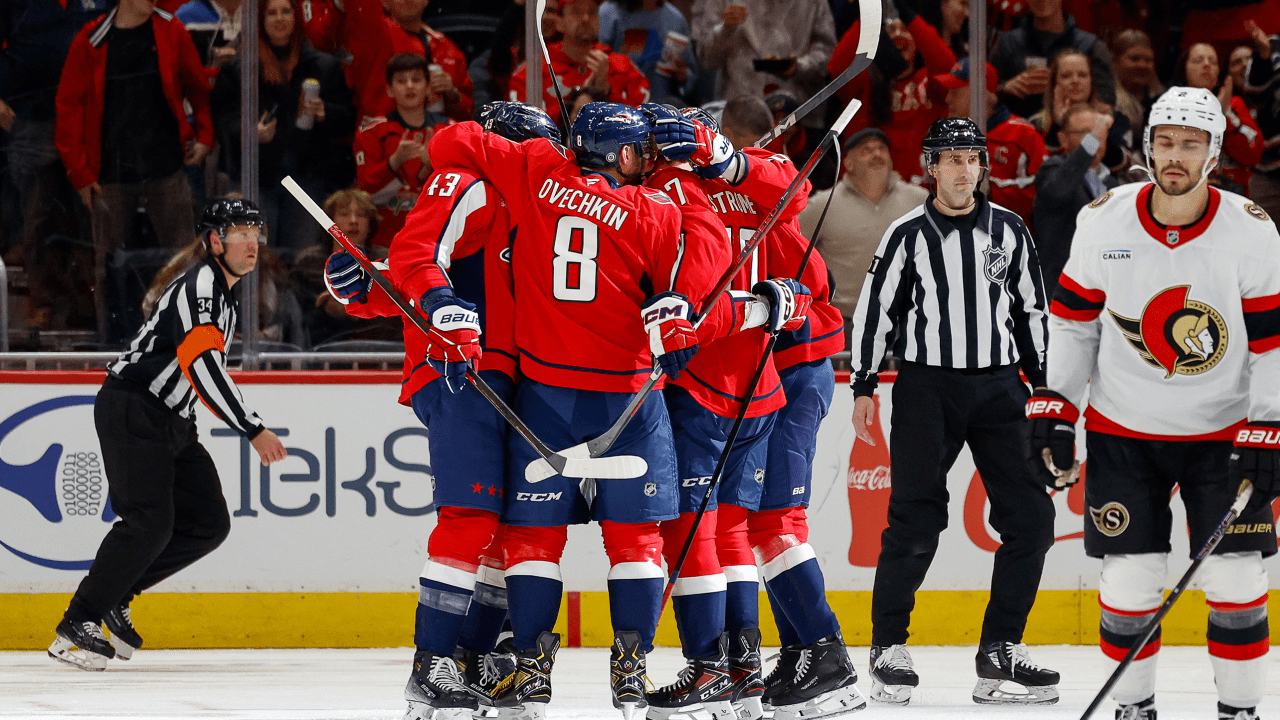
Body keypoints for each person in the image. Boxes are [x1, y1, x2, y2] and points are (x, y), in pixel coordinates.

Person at [424, 102, 802, 720]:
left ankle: (533, 671)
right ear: (626, 155)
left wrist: (507, 136)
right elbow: (698, 271)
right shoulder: (655, 208)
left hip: (545, 396)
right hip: (629, 395)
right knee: (637, 542)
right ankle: (630, 672)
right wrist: (688, 183)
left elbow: (450, 143)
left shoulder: (535, 170)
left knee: (533, 539)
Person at [1028, 86, 1279, 720]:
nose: (1176, 156)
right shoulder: (1104, 220)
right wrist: (1055, 407)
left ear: (1214, 153)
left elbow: (1273, 343)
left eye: (1191, 144)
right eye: (1165, 142)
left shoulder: (1251, 232)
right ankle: (1133, 711)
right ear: (1147, 146)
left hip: (1224, 434)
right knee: (1129, 583)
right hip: (1124, 433)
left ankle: (1240, 713)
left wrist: (1270, 424)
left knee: (1237, 581)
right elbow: (1073, 324)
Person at [325, 101, 558, 720]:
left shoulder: (531, 202)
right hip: (461, 370)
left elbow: (417, 272)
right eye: (539, 149)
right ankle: (433, 668)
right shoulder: (469, 179)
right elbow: (419, 255)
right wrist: (435, 304)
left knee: (509, 529)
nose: (549, 162)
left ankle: (473, 657)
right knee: (471, 519)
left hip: (514, 378)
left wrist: (369, 285)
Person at [848, 117, 1059, 706]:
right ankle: (888, 646)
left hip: (1000, 390)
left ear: (982, 166)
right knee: (914, 521)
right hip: (925, 390)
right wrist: (864, 384)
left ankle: (999, 653)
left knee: (1032, 521)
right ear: (932, 167)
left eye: (973, 157)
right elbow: (875, 311)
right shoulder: (905, 233)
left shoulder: (1012, 230)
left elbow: (1032, 316)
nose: (964, 169)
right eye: (952, 158)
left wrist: (1045, 393)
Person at [662, 106, 860, 720]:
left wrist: (731, 161)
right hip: (768, 369)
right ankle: (777, 657)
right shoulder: (709, 194)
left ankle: (825, 656)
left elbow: (796, 200)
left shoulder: (754, 188)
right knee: (745, 525)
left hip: (795, 369)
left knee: (775, 522)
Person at [47, 198, 287, 672]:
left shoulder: (223, 292)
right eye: (239, 232)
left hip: (172, 420)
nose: (251, 241)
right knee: (149, 522)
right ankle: (80, 619)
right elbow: (203, 366)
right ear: (215, 241)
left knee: (208, 523)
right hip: (134, 407)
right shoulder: (202, 287)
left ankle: (116, 596)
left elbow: (199, 370)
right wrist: (252, 427)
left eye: (255, 231)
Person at [55, 0, 214, 342]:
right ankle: (110, 343)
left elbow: (198, 88)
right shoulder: (91, 39)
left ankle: (189, 338)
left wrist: (204, 135)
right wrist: (79, 173)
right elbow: (68, 108)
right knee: (108, 267)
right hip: (108, 176)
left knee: (184, 260)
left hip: (167, 168)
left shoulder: (171, 30)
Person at [211, 0, 357, 253]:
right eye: (272, 13)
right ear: (260, 20)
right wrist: (249, 132)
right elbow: (222, 119)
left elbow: (347, 118)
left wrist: (325, 113)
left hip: (307, 179)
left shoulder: (324, 66)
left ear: (296, 18)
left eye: (286, 11)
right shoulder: (239, 69)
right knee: (253, 258)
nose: (280, 19)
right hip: (254, 178)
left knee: (301, 258)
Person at [0, 0, 108, 331]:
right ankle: (43, 302)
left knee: (88, 211)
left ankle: (87, 303)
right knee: (39, 213)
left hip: (88, 117)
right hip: (31, 113)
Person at [798, 128, 928, 323]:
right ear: (848, 163)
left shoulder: (920, 201)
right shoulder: (823, 204)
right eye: (865, 150)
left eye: (882, 148)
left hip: (908, 320)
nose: (876, 154)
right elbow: (789, 253)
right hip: (844, 321)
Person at [830, 2, 955, 187]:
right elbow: (837, 67)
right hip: (868, 190)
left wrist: (906, 11)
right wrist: (869, 19)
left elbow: (946, 64)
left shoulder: (932, 85)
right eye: (891, 30)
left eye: (905, 29)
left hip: (921, 192)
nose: (897, 35)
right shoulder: (864, 84)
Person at [354, 53, 454, 248]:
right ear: (389, 90)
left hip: (437, 240)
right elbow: (365, 193)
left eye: (416, 80)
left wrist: (432, 166)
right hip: (384, 242)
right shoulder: (372, 131)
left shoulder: (449, 130)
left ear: (428, 87)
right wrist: (395, 161)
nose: (409, 86)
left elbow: (460, 190)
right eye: (401, 81)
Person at [936, 57, 1046, 224]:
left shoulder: (1023, 135)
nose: (947, 99)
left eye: (955, 92)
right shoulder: (945, 138)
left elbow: (1043, 192)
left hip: (1006, 241)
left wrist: (990, 192)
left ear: (981, 94)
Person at [508, 0, 651, 125]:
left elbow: (646, 122)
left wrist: (606, 93)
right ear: (559, 22)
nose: (585, 18)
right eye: (576, 12)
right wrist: (573, 105)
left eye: (592, 12)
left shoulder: (623, 66)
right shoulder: (532, 72)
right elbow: (520, 126)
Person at [1032, 103, 1117, 300]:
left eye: (1099, 134)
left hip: (1102, 292)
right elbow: (1057, 193)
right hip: (1060, 291)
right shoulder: (1052, 171)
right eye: (1084, 133)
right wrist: (1093, 138)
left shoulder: (1114, 184)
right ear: (1063, 138)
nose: (1094, 140)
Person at [343, 0, 474, 122]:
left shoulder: (446, 48)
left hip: (435, 135)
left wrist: (452, 94)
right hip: (380, 136)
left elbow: (468, 112)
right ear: (384, 2)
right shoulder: (370, 33)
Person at [691, 0, 835, 108]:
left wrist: (801, 65)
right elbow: (706, 58)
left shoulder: (814, 3)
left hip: (796, 113)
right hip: (739, 112)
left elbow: (828, 51)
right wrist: (725, 29)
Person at [990, 0, 1115, 121]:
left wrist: (1077, 124)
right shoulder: (1007, 44)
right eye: (1066, 75)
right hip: (1016, 136)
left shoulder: (1091, 46)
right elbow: (980, 98)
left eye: (1081, 75)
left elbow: (1106, 101)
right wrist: (1004, 89)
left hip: (1075, 134)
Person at [1174, 43, 1263, 195]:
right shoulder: (1171, 106)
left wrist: (1224, 114)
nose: (1207, 64)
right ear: (1185, 69)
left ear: (1218, 72)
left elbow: (1254, 153)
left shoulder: (1234, 104)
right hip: (1186, 194)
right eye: (1198, 60)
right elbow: (1162, 157)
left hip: (1232, 196)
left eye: (1213, 61)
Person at [1028, 49, 1131, 168]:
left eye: (1082, 75)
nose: (1075, 81)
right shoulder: (1036, 123)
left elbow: (1119, 165)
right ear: (1054, 83)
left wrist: (1099, 129)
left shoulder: (1114, 118)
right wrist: (1060, 124)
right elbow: (1043, 167)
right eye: (1066, 76)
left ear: (1091, 80)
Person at [598, 0, 698, 106]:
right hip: (619, 108)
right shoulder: (609, 14)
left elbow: (691, 79)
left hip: (663, 109)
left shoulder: (676, 19)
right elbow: (595, 63)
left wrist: (684, 76)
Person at [1109, 30, 1162, 131]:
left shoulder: (1164, 99)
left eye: (1148, 60)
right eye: (1134, 59)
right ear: (1115, 62)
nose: (1142, 65)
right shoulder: (1101, 100)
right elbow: (1089, 145)